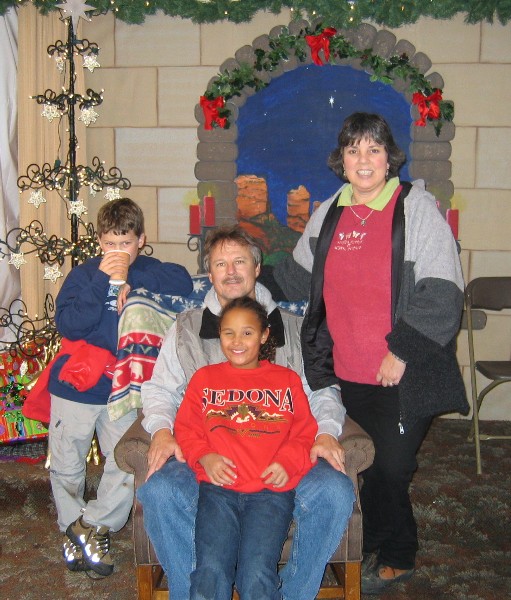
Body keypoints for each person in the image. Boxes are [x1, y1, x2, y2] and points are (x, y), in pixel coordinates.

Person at [276, 112, 469, 595]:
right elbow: (296, 278)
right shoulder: (330, 212)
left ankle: (398, 551)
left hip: (402, 370)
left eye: (374, 149)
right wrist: (236, 280)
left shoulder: (416, 209)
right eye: (353, 150)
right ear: (341, 160)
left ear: (389, 158)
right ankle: (365, 542)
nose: (363, 160)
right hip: (342, 370)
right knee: (355, 464)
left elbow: (443, 293)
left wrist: (400, 350)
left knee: (391, 467)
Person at [138, 225, 356, 600]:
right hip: (210, 460)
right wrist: (161, 430)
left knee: (335, 491)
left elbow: (322, 391)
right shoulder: (187, 327)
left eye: (239, 261)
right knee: (159, 490)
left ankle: (292, 594)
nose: (230, 271)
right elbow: (160, 389)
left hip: (279, 459)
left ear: (257, 268)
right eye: (220, 264)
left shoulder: (293, 327)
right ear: (209, 274)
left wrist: (324, 432)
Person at [45, 198, 193, 576]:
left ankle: (93, 526)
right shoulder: (84, 275)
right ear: (99, 242)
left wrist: (134, 280)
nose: (118, 252)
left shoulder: (149, 269)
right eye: (110, 243)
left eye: (125, 243)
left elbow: (183, 281)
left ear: (141, 240)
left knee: (125, 463)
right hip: (75, 386)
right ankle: (74, 532)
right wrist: (101, 281)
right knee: (66, 465)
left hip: (122, 388)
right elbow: (69, 324)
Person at [174, 296, 318, 599]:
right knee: (211, 569)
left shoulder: (287, 380)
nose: (237, 341)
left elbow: (304, 432)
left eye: (247, 333)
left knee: (257, 573)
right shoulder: (205, 379)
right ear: (219, 334)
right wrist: (204, 456)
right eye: (229, 333)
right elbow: (186, 429)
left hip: (270, 494)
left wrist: (288, 461)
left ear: (264, 335)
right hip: (218, 491)